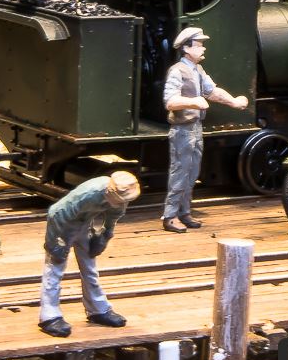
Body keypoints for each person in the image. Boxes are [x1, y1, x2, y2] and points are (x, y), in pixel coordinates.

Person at [162, 27, 249, 233]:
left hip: (196, 128)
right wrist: (194, 102)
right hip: (182, 130)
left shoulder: (198, 70)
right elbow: (170, 101)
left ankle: (184, 212)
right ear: (186, 48)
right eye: (199, 44)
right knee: (180, 173)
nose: (203, 48)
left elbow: (212, 91)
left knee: (192, 173)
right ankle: (170, 216)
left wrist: (233, 102)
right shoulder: (177, 71)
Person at [39, 171, 141, 338]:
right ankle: (49, 316)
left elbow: (113, 216)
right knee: (55, 268)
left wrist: (104, 236)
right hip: (63, 225)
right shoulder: (88, 195)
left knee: (90, 268)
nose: (123, 204)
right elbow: (55, 213)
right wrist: (56, 243)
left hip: (84, 224)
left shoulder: (119, 198)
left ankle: (98, 309)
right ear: (111, 193)